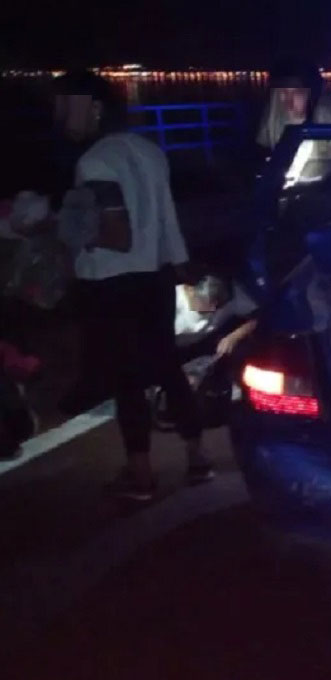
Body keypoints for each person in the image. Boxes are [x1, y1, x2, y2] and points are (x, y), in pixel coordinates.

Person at [50, 70, 210, 501]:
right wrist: (180, 263)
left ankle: (141, 475)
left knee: (126, 380)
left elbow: (117, 235)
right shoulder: (149, 150)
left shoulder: (94, 162)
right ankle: (197, 457)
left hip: (110, 283)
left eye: (65, 105)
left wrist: (63, 226)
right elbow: (166, 216)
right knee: (168, 366)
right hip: (154, 277)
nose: (60, 115)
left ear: (93, 108)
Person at [255, 59, 331, 152]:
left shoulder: (326, 113)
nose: (288, 99)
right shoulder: (273, 113)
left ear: (312, 92)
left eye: (296, 92)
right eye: (282, 92)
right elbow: (262, 148)